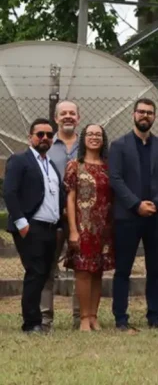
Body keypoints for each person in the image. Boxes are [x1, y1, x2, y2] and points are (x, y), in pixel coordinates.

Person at [109, 99, 158, 331]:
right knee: (123, 270)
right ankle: (120, 318)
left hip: (157, 217)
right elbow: (115, 179)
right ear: (133, 115)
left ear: (154, 117)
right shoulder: (119, 145)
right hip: (128, 217)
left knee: (155, 270)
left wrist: (156, 204)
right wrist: (136, 204)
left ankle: (154, 318)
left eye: (149, 112)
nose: (145, 116)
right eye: (141, 112)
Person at [3, 118, 65, 333]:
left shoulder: (51, 165)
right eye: (40, 134)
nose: (45, 138)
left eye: (49, 135)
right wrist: (21, 223)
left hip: (50, 228)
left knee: (44, 273)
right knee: (35, 272)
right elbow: (9, 192)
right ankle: (31, 323)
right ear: (31, 137)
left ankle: (37, 319)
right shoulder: (19, 160)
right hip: (31, 227)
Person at [63, 124, 114, 331]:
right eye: (90, 134)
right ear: (83, 138)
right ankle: (83, 317)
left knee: (98, 271)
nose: (94, 137)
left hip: (104, 228)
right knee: (83, 271)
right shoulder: (75, 165)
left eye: (98, 135)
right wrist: (73, 230)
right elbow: (70, 199)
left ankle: (94, 315)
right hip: (83, 227)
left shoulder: (109, 167)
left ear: (103, 140)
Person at [44, 100, 81, 329]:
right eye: (63, 113)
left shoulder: (88, 145)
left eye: (72, 113)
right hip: (52, 216)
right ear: (56, 118)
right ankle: (45, 317)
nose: (68, 116)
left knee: (83, 269)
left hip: (83, 219)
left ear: (78, 118)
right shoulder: (45, 145)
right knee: (47, 267)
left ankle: (80, 317)